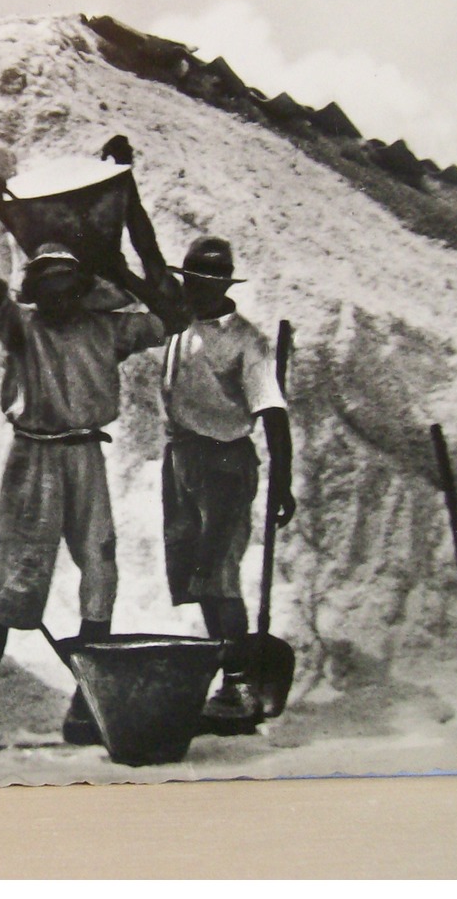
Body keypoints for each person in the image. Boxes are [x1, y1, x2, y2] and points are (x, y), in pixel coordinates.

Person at [0, 174, 168, 753]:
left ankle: (85, 699)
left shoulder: (109, 328)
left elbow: (174, 313)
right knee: (12, 572)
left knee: (100, 567)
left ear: (81, 287)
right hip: (34, 459)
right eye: (48, 283)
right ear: (36, 290)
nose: (59, 294)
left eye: (69, 282)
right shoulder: (23, 327)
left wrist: (121, 261)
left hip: (86, 456)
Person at [159, 236, 294, 720]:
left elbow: (273, 414)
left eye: (207, 283)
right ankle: (226, 674)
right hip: (181, 459)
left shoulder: (246, 340)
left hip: (226, 465)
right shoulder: (177, 328)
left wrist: (283, 481)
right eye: (190, 281)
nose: (197, 290)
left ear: (224, 286)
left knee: (218, 574)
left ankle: (238, 685)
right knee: (194, 576)